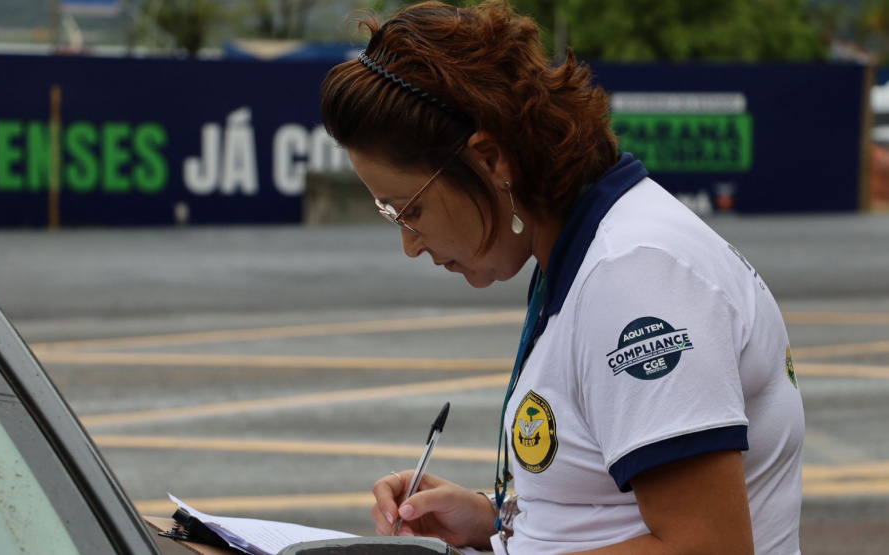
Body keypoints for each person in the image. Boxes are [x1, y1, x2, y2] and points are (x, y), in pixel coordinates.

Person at [320, 1, 804, 553]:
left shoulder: (634, 277)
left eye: (409, 209)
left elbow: (706, 546)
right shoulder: (585, 249)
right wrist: (493, 520)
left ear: (489, 160)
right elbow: (611, 503)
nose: (409, 243)